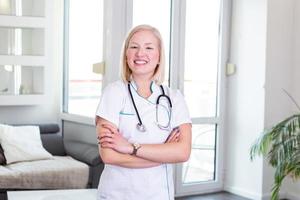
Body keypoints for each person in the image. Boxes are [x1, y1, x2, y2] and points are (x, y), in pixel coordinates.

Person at [95, 24, 192, 200]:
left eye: (149, 47)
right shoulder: (114, 92)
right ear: (126, 55)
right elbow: (108, 155)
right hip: (117, 194)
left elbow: (182, 152)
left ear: (159, 56)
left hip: (159, 194)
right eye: (134, 47)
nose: (140, 53)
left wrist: (129, 147)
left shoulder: (174, 98)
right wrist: (164, 154)